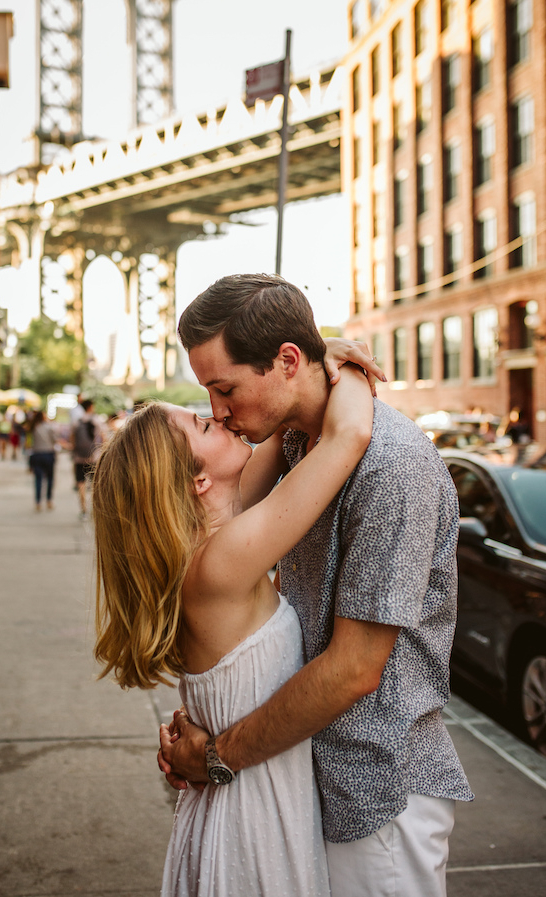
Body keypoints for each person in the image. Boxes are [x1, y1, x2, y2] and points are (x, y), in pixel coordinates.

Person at [158, 274, 471, 897]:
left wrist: (217, 755)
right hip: (304, 776)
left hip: (375, 794)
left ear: (287, 362)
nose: (218, 412)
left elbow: (355, 669)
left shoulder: (389, 467)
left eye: (225, 389)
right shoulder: (299, 442)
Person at [94, 353, 375, 894]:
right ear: (199, 481)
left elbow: (279, 427)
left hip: (236, 799)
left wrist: (314, 356)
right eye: (203, 423)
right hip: (254, 815)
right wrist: (353, 368)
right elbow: (348, 438)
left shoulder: (213, 543)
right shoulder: (222, 562)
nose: (218, 417)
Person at [70, 399, 102, 519]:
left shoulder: (76, 422)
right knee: (94, 485)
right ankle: (95, 508)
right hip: (93, 458)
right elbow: (103, 438)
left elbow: (72, 439)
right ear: (90, 407)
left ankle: (84, 510)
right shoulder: (96, 420)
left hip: (79, 458)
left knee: (81, 484)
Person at [27, 410, 56, 512]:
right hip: (48, 454)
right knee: (49, 479)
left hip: (37, 455)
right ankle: (49, 500)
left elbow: (29, 444)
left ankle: (38, 502)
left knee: (38, 479)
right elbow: (54, 440)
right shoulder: (49, 428)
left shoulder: (33, 428)